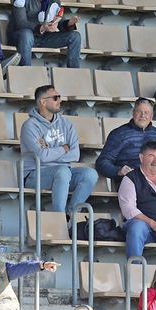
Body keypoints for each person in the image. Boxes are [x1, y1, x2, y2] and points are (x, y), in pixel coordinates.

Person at [19, 83, 99, 217]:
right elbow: (42, 157)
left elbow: (75, 155)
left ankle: (71, 216)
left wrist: (50, 150)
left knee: (90, 174)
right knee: (62, 171)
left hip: (64, 173)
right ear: (43, 102)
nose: (60, 100)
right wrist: (64, 148)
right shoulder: (30, 126)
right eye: (55, 97)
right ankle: (59, 217)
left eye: (59, 97)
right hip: (35, 174)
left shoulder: (67, 124)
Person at [94, 98, 156, 180]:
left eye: (146, 113)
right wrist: (118, 171)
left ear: (151, 116)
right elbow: (102, 162)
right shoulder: (119, 134)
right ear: (133, 113)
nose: (143, 115)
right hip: (134, 180)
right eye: (139, 111)